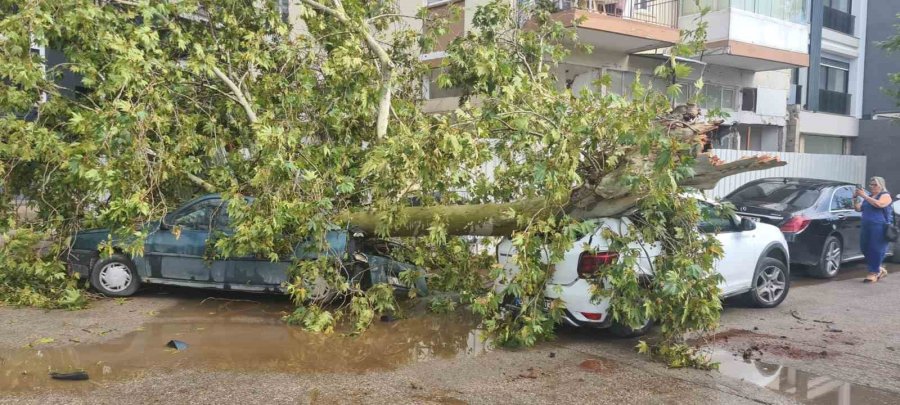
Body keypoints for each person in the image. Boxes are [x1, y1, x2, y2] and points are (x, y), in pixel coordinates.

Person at [854, 176, 894, 283]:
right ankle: (879, 269)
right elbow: (858, 208)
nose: (872, 187)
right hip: (866, 225)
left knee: (876, 249)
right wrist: (855, 198)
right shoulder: (870, 197)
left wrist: (864, 196)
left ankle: (873, 273)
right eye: (871, 185)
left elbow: (879, 204)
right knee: (864, 248)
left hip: (879, 226)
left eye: (875, 185)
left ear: (881, 185)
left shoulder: (885, 195)